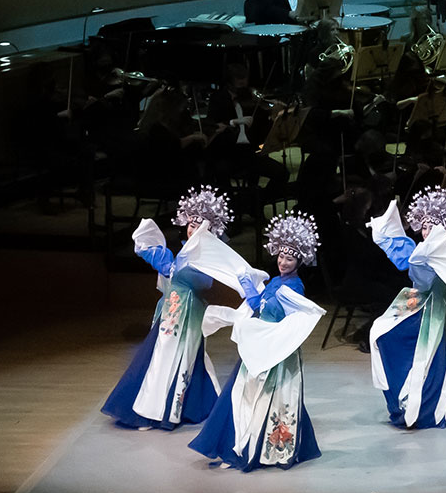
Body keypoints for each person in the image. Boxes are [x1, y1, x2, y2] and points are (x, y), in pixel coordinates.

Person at [102, 186, 252, 430]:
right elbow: (172, 276)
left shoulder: (208, 255)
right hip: (172, 312)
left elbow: (207, 280)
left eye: (200, 226)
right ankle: (151, 411)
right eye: (191, 225)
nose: (193, 230)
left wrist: (172, 269)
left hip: (188, 313)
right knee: (159, 358)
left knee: (177, 360)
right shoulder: (185, 250)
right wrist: (165, 264)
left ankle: (159, 413)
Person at [189, 211, 328, 471]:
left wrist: (254, 295)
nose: (283, 262)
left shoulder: (295, 287)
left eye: (289, 259)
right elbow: (261, 307)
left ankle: (253, 450)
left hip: (275, 349)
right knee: (241, 394)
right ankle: (233, 446)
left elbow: (275, 312)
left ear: (299, 261)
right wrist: (252, 293)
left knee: (270, 399)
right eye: (281, 256)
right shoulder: (276, 281)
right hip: (260, 343)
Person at [366, 186, 446, 430]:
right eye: (424, 227)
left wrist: (420, 258)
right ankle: (405, 402)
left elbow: (426, 279)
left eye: (432, 228)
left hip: (430, 311)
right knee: (379, 334)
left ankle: (424, 409)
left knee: (427, 358)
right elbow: (405, 255)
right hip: (413, 303)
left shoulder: (442, 253)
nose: (426, 232)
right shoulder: (424, 250)